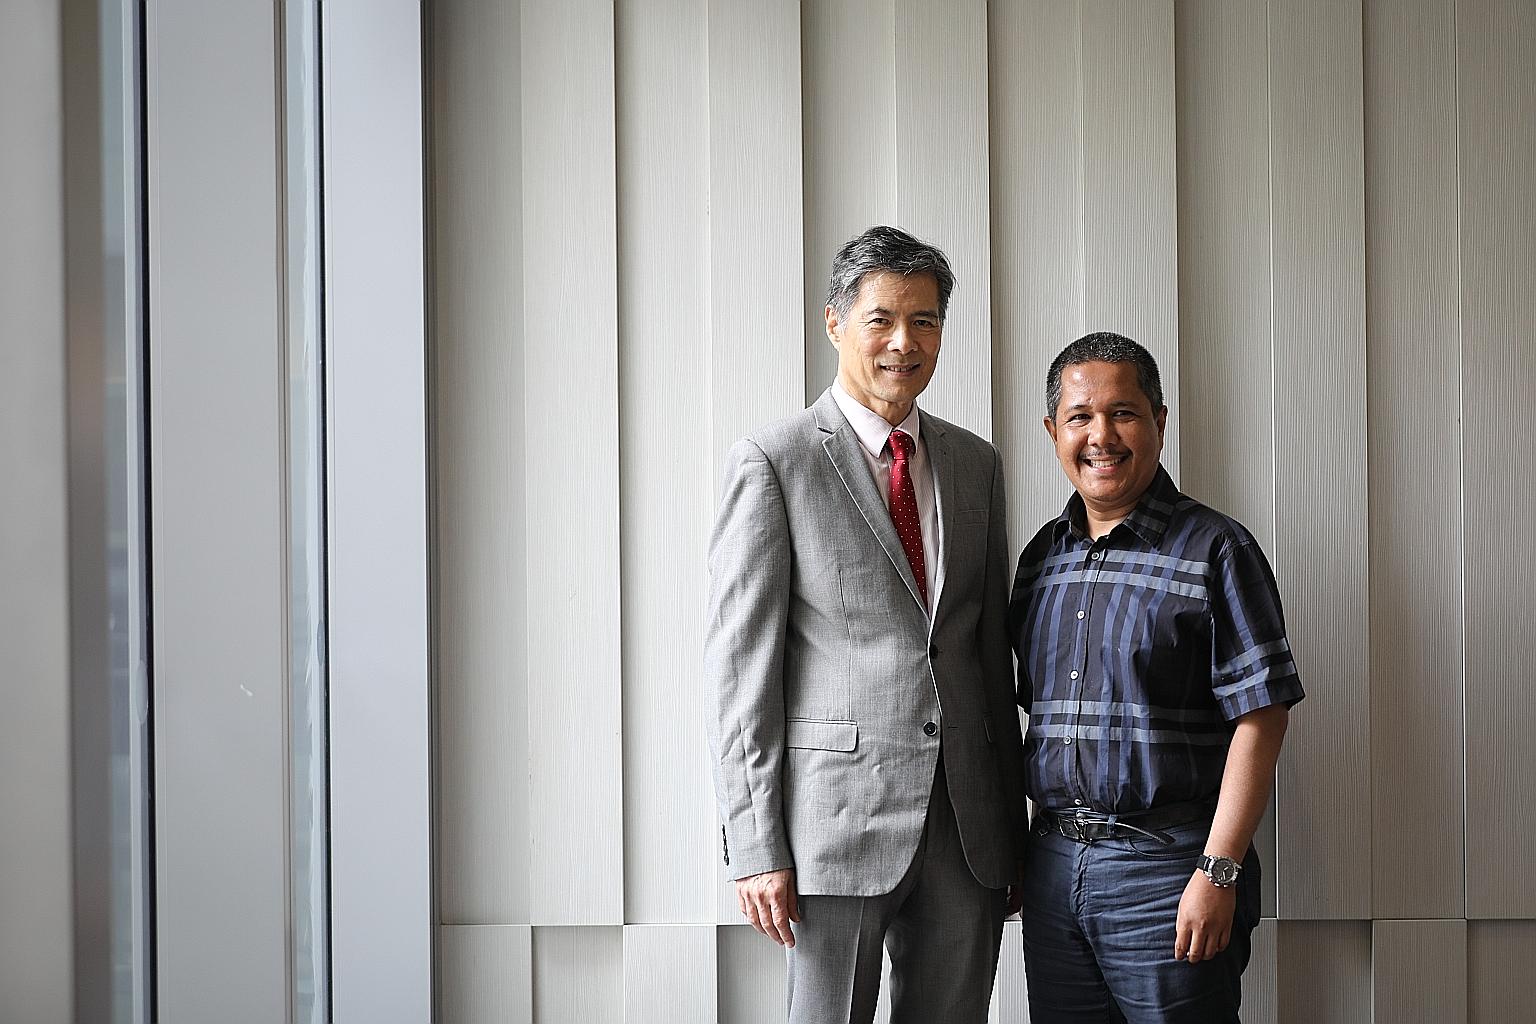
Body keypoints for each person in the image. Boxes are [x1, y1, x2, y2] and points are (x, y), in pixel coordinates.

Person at [705, 226, 1028, 1023]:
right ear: (836, 323)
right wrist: (755, 847)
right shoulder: (774, 460)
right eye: (882, 318)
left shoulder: (975, 464)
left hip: (968, 827)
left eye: (925, 321)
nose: (903, 342)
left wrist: (1011, 821)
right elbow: (742, 673)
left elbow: (989, 657)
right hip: (832, 829)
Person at [1008, 332, 1304, 1023]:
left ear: (1159, 423)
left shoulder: (1216, 549)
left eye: (1124, 413)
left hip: (1169, 870)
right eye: (1080, 416)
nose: (1100, 435)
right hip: (1051, 868)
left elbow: (1262, 717)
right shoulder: (1039, 561)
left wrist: (1218, 870)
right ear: (1054, 431)